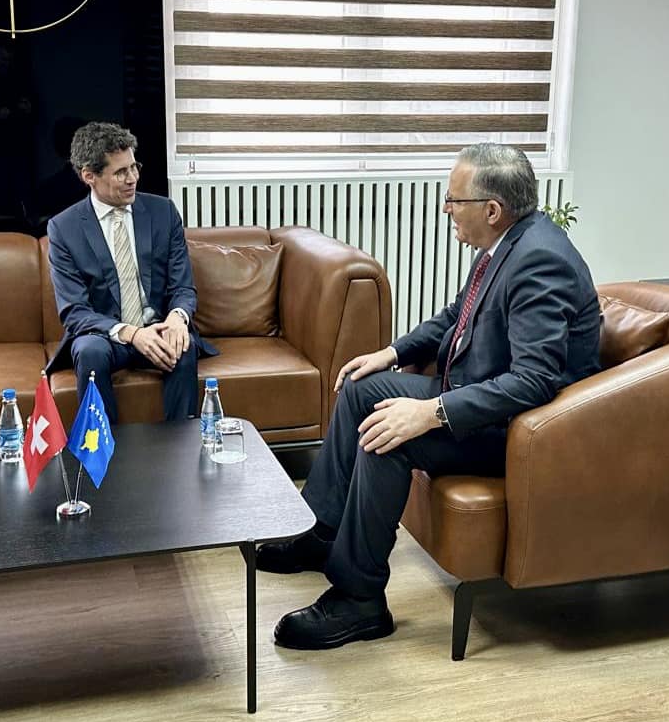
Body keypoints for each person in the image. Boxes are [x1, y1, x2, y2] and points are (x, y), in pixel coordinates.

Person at [258, 143, 601, 651]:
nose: (445, 209)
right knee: (361, 387)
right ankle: (322, 533)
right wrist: (390, 353)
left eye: (453, 200)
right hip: (477, 395)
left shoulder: (540, 261)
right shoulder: (506, 243)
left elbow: (533, 381)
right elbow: (456, 316)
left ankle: (359, 599)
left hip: (521, 431)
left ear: (491, 209)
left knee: (389, 434)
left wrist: (430, 413)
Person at [46, 122, 216, 422]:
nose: (133, 178)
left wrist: (177, 317)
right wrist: (133, 334)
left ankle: (180, 446)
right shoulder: (64, 228)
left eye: (134, 167)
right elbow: (74, 311)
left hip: (158, 327)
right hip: (105, 336)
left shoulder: (163, 212)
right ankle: (104, 447)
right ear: (89, 176)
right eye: (120, 172)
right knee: (89, 352)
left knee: (182, 344)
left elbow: (182, 287)